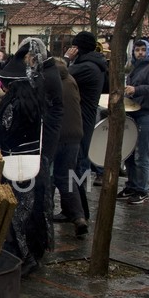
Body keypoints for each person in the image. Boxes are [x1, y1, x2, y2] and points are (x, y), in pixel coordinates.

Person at [0, 38, 49, 276]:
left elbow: (2, 132)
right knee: (33, 213)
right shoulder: (33, 99)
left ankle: (26, 258)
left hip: (18, 165)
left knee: (18, 217)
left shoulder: (14, 104)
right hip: (35, 162)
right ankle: (32, 255)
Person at [65, 31, 108, 217]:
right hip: (84, 119)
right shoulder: (95, 64)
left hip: (81, 120)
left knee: (77, 166)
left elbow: (59, 75)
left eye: (73, 47)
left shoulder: (87, 67)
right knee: (77, 165)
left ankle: (77, 211)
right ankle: (76, 210)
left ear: (78, 48)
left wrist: (66, 59)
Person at [119, 39, 149, 205]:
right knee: (130, 154)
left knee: (143, 155)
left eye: (142, 50)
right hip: (134, 113)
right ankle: (131, 186)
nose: (140, 53)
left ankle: (142, 190)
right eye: (137, 50)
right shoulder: (135, 69)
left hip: (148, 114)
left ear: (148, 51)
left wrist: (136, 89)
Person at [50, 57, 87, 237]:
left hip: (56, 136)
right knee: (68, 178)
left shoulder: (51, 83)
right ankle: (79, 217)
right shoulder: (71, 80)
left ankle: (45, 216)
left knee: (50, 177)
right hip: (74, 135)